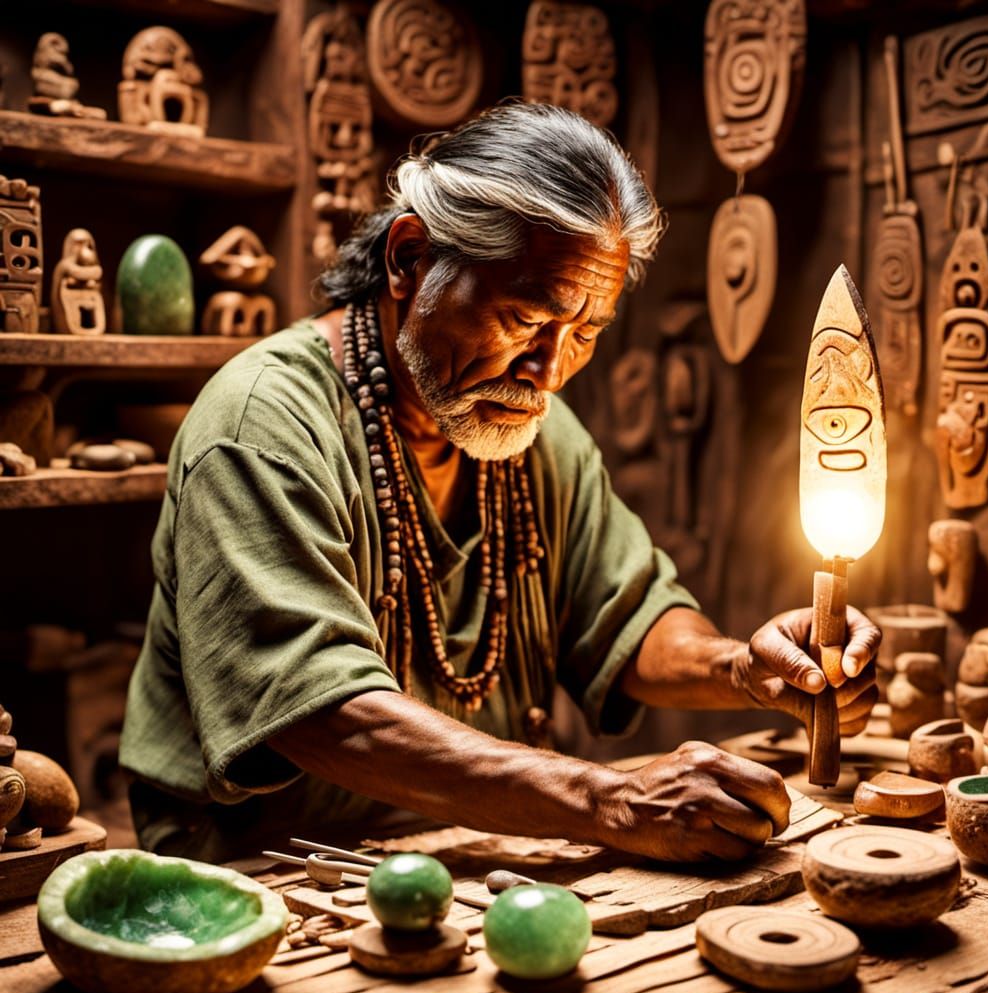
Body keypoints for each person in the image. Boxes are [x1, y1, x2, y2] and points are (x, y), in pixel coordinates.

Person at [120, 103, 879, 864]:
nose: (549, 372)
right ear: (410, 259)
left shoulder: (534, 433)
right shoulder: (261, 427)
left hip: (471, 850)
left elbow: (627, 612)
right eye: (524, 318)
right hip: (263, 869)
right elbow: (321, 711)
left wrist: (745, 669)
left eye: (584, 333)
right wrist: (607, 798)